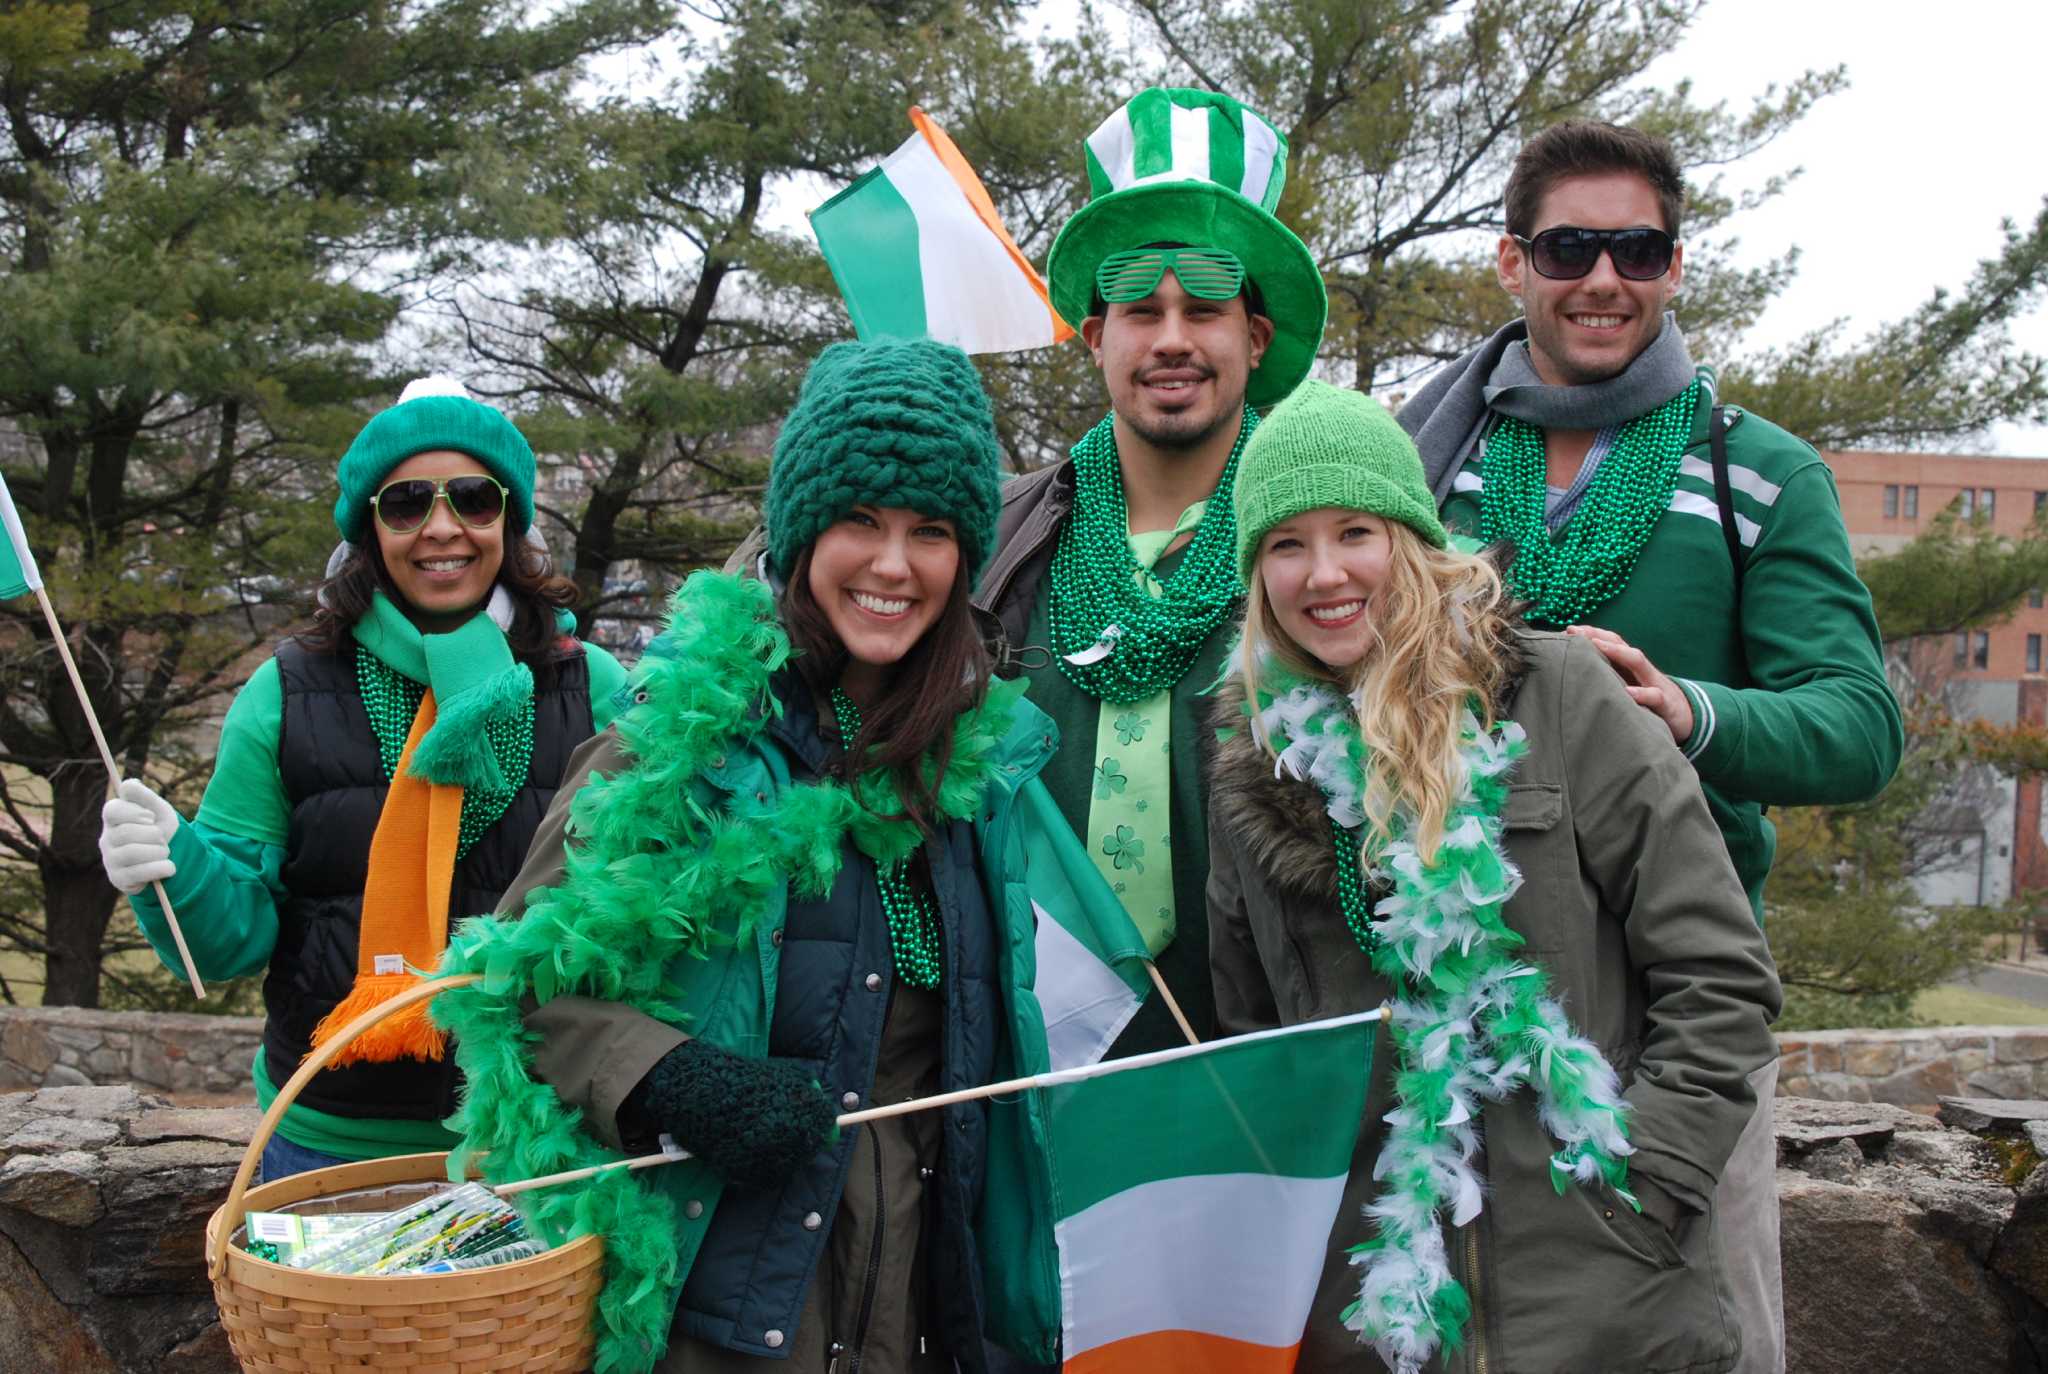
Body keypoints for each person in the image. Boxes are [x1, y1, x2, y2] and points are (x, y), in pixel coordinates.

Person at [434, 339, 1107, 1373]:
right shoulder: (677, 745)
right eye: (859, 521)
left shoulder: (979, 778)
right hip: (718, 1315)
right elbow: (512, 984)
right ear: (800, 535)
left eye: (928, 531)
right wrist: (671, 1078)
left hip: (913, 1311)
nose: (893, 564)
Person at [1396, 119, 1901, 1373]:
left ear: (1674, 267)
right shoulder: (1429, 476)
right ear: (1512, 264)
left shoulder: (1756, 477)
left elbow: (1857, 724)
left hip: (1674, 998)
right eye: (1570, 246)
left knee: (1705, 1333)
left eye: (1637, 247)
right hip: (1453, 976)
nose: (1603, 277)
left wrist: (1689, 712)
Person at [1208, 381, 1782, 1374]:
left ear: (1413, 540)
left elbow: (1719, 976)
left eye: (1354, 531)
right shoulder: (1256, 771)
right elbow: (1255, 1043)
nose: (1324, 573)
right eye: (1285, 544)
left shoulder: (1557, 695)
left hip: (1607, 1311)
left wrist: (1647, 1178)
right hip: (1372, 1324)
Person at [96, 377, 628, 1182]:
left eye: (475, 499)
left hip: (542, 1142)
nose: (441, 528)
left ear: (509, 520)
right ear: (369, 525)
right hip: (329, 1145)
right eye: (407, 501)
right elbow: (232, 941)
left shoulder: (596, 688)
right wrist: (171, 865)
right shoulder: (285, 690)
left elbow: (647, 913)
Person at [974, 86, 1328, 1057]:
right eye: (1139, 308)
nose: (1170, 336)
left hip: (1264, 1047)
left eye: (1204, 307)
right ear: (1095, 338)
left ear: (1254, 341)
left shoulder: (1328, 547)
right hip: (1023, 1046)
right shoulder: (991, 541)